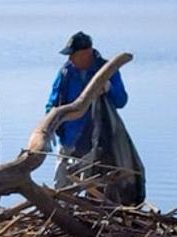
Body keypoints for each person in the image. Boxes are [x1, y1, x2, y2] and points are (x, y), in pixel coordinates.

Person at [46, 32, 143, 206]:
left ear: (86, 53)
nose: (70, 58)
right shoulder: (66, 72)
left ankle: (87, 221)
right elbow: (52, 103)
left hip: (97, 142)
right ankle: (60, 217)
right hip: (69, 139)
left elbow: (121, 100)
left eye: (73, 54)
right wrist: (49, 126)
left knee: (92, 187)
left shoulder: (106, 69)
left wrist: (109, 88)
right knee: (60, 187)